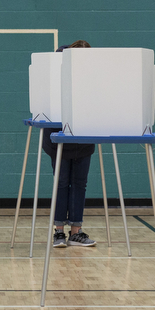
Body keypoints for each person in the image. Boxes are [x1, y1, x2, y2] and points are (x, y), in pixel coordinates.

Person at [44, 40, 96, 249]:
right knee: (62, 183)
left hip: (84, 137)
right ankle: (58, 232)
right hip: (59, 138)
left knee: (80, 184)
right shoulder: (57, 73)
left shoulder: (92, 77)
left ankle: (76, 231)